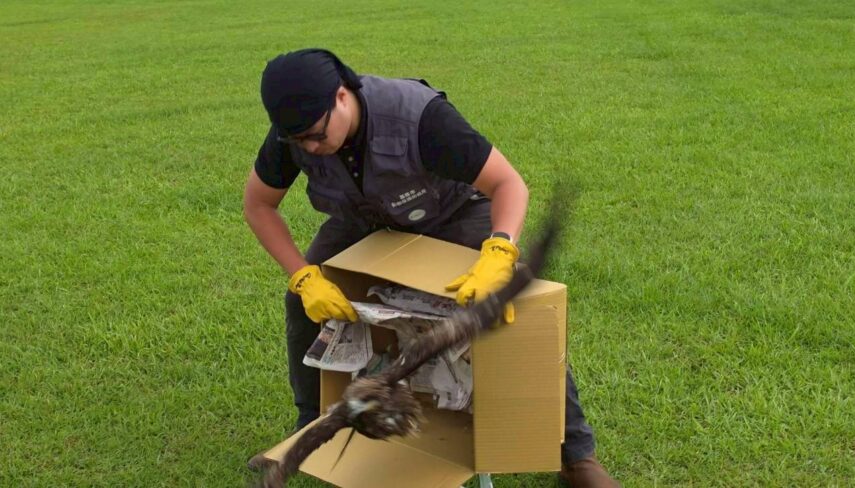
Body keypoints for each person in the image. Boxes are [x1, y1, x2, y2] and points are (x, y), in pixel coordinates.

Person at [243, 48, 618, 487]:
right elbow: (258, 205)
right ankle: (310, 425)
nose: (309, 147)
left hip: (449, 212)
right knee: (300, 302)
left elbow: (508, 183)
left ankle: (575, 456)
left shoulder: (420, 119)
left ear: (341, 96)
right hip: (363, 222)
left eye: (314, 134)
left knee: (516, 307)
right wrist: (303, 276)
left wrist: (499, 251)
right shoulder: (293, 136)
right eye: (298, 140)